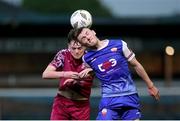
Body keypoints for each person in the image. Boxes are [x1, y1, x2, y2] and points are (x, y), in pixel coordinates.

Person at [68, 27, 160, 120]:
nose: (87, 38)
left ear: (93, 32)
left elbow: (136, 65)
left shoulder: (120, 44)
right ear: (83, 44)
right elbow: (95, 74)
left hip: (130, 97)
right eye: (83, 38)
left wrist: (151, 86)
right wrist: (84, 75)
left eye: (87, 33)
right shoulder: (87, 58)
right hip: (109, 100)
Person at [42, 35, 94, 120]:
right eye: (73, 48)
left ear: (85, 46)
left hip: (81, 107)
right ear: (68, 46)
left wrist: (91, 70)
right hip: (61, 103)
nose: (77, 51)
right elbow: (46, 74)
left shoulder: (91, 59)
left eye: (80, 48)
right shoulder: (63, 54)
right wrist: (66, 74)